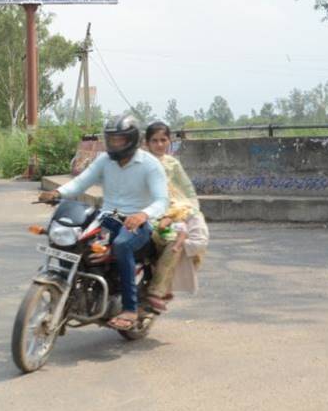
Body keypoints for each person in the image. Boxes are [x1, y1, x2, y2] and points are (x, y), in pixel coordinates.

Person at [39, 115, 169, 331]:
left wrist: (143, 214)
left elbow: (162, 200)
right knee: (70, 238)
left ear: (132, 140)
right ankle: (65, 291)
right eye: (112, 139)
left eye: (120, 139)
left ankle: (130, 308)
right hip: (107, 217)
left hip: (137, 223)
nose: (115, 144)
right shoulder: (105, 161)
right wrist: (57, 192)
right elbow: (80, 182)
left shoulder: (150, 165)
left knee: (121, 244)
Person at [144, 122, 210, 312]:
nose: (159, 144)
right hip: (150, 212)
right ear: (147, 143)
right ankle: (158, 290)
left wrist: (189, 210)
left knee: (196, 239)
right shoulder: (142, 163)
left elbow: (187, 189)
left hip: (177, 210)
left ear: (169, 141)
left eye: (163, 140)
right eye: (154, 140)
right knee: (172, 240)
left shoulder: (173, 163)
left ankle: (166, 284)